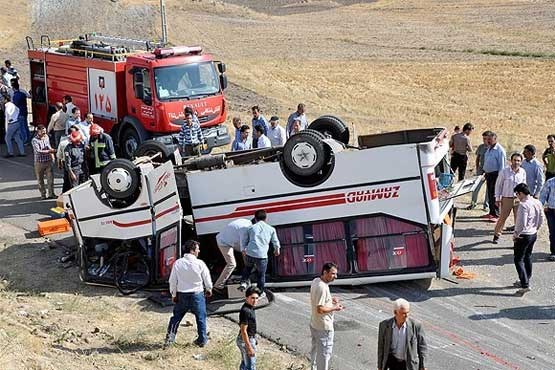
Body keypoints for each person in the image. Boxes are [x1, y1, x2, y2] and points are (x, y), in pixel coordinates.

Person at [165, 240, 213, 348]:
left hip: (182, 295)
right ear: (192, 250)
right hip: (197, 295)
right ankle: (202, 339)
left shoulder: (178, 263)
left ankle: (170, 339)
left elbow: (173, 281)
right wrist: (209, 289)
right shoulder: (200, 263)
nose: (199, 251)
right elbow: (207, 278)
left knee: (176, 318)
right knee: (201, 318)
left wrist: (173, 294)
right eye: (197, 249)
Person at [310, 262, 344, 370]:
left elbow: (318, 299)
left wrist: (330, 299)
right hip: (324, 327)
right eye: (333, 274)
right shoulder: (323, 287)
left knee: (315, 352)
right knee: (324, 355)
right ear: (325, 272)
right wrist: (335, 308)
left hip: (315, 324)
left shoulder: (316, 281)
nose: (335, 277)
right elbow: (320, 309)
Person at [377, 298, 427, 370]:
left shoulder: (416, 326)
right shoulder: (384, 325)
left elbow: (422, 347)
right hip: (392, 362)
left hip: (408, 364)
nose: (406, 316)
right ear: (395, 312)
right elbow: (381, 347)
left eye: (407, 312)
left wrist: (423, 366)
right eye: (403, 313)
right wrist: (380, 366)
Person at [240, 210, 280, 297]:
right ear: (266, 218)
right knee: (261, 275)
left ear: (255, 218)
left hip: (250, 253)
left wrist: (243, 249)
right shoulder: (271, 229)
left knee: (248, 268)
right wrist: (277, 249)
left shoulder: (251, 228)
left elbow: (244, 240)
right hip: (262, 256)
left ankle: (243, 282)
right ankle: (259, 292)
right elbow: (275, 241)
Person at [512, 183, 543, 296]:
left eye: (517, 194)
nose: (517, 196)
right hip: (533, 233)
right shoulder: (537, 202)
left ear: (520, 193)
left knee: (518, 259)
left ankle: (525, 284)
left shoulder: (523, 205)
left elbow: (521, 223)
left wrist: (516, 234)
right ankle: (526, 278)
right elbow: (541, 218)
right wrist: (536, 228)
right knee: (528, 256)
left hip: (523, 235)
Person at [492, 153, 526, 244]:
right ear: (511, 161)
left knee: (518, 220)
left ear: (521, 162)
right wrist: (497, 198)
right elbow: (498, 185)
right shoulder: (504, 171)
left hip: (518, 199)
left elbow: (524, 185)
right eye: (514, 160)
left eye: (518, 160)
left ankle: (517, 239)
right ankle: (496, 235)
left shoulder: (522, 172)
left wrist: (525, 198)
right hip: (506, 198)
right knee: (503, 218)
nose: (516, 162)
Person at [214, 218, 253, 290]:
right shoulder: (245, 230)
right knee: (232, 264)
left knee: (247, 258)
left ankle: (243, 275)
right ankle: (218, 286)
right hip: (223, 242)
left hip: (230, 240)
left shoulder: (247, 222)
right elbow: (243, 249)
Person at [483, 131, 506, 220]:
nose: (488, 141)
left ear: (495, 139)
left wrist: (500, 178)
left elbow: (502, 166)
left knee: (495, 194)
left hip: (496, 175)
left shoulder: (500, 150)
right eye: (487, 139)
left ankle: (496, 214)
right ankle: (491, 212)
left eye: (490, 139)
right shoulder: (489, 148)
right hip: (489, 174)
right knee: (490, 193)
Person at [237, 286, 261, 370]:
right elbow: (243, 330)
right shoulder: (246, 311)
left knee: (245, 364)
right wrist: (249, 347)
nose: (255, 301)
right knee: (250, 366)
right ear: (247, 298)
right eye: (252, 298)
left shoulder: (250, 307)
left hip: (248, 338)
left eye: (257, 298)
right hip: (246, 340)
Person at [31, 125, 56, 199]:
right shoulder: (34, 140)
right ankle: (43, 194)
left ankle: (51, 194)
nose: (44, 132)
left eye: (45, 131)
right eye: (42, 131)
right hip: (39, 162)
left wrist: (52, 154)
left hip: (48, 161)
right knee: (40, 180)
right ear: (38, 131)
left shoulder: (46, 137)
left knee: (50, 180)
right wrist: (49, 151)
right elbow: (38, 151)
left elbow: (48, 146)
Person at [467, 131, 489, 210]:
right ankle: (473, 203)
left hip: (489, 171)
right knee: (476, 187)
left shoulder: (492, 148)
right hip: (481, 170)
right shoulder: (481, 147)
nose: (484, 140)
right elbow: (478, 158)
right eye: (483, 138)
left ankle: (486, 206)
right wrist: (477, 168)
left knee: (488, 189)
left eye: (486, 139)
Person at [57, 126, 80, 193]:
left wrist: (59, 164)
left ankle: (64, 194)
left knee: (66, 180)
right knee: (73, 182)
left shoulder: (62, 142)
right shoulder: (75, 142)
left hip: (65, 163)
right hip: (73, 164)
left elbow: (59, 155)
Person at [539, 175, 555, 261]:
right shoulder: (550, 182)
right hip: (551, 211)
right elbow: (543, 195)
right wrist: (543, 206)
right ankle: (553, 252)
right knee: (553, 232)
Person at [10, 79, 30, 144]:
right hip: (25, 111)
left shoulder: (15, 96)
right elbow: (28, 96)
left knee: (22, 128)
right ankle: (28, 139)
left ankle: (24, 140)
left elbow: (14, 105)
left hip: (19, 113)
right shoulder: (22, 93)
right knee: (26, 126)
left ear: (13, 88)